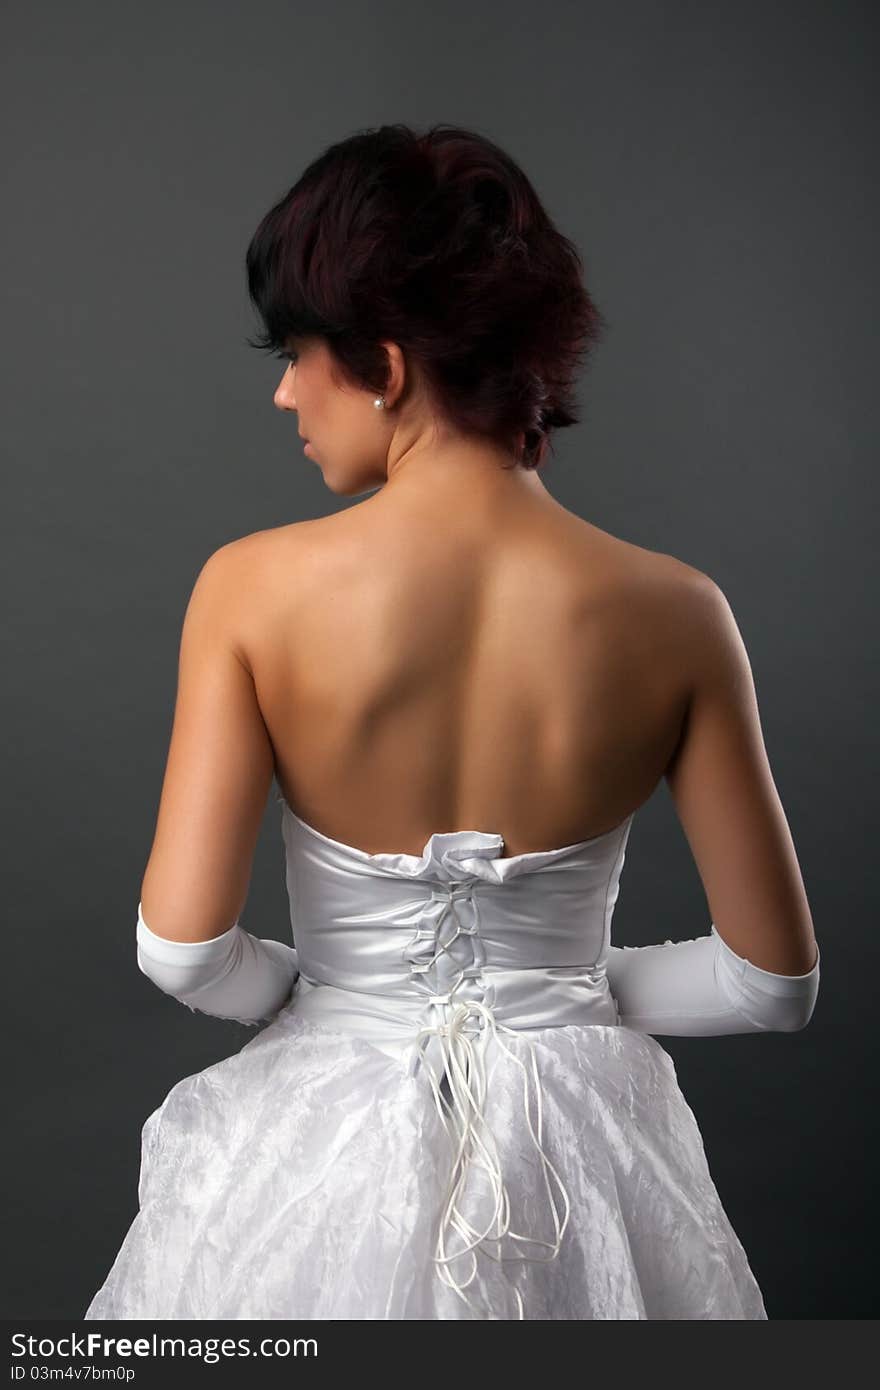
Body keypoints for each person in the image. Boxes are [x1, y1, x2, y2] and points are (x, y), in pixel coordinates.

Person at [84, 122, 819, 1321]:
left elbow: (181, 950)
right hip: (583, 1161)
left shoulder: (251, 591)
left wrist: (325, 991)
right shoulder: (681, 613)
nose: (283, 392)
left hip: (319, 1152)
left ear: (382, 363)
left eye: (298, 354)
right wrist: (561, 990)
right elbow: (768, 983)